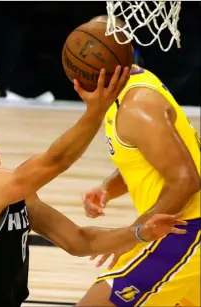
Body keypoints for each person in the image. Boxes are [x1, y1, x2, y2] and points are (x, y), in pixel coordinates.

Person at [0, 66, 187, 307]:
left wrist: (138, 233)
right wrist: (96, 111)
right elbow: (56, 160)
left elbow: (77, 241)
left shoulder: (12, 193)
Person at [77, 15, 200, 307]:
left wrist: (132, 237)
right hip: (174, 225)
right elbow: (149, 157)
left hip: (185, 230)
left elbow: (186, 180)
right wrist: (107, 188)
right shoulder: (126, 87)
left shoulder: (137, 107)